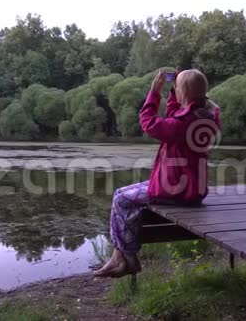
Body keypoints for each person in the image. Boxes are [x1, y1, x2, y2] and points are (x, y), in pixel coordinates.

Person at [93, 68, 222, 278]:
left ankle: (128, 259)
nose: (176, 91)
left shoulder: (184, 124)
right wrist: (175, 90)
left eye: (178, 87)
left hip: (175, 190)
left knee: (121, 199)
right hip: (191, 187)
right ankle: (119, 258)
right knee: (122, 194)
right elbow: (176, 114)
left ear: (185, 92)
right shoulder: (205, 116)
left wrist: (154, 93)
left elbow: (149, 123)